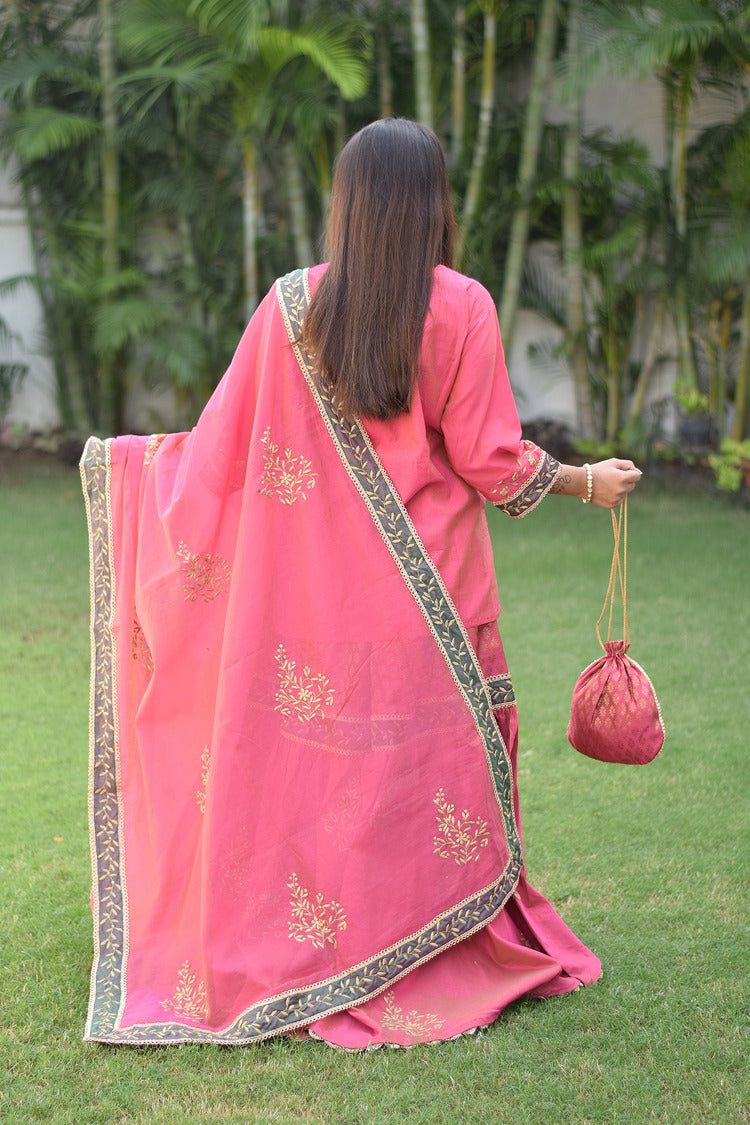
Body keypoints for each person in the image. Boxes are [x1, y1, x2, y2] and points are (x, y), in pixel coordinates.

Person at [80, 118, 641, 1048]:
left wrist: (138, 466)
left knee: (346, 767)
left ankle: (340, 940)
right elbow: (491, 461)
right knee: (437, 766)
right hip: (440, 592)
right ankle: (444, 941)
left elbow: (225, 447)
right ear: (432, 204)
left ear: (347, 202)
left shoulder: (292, 306)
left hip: (329, 601)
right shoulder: (461, 305)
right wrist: (589, 481)